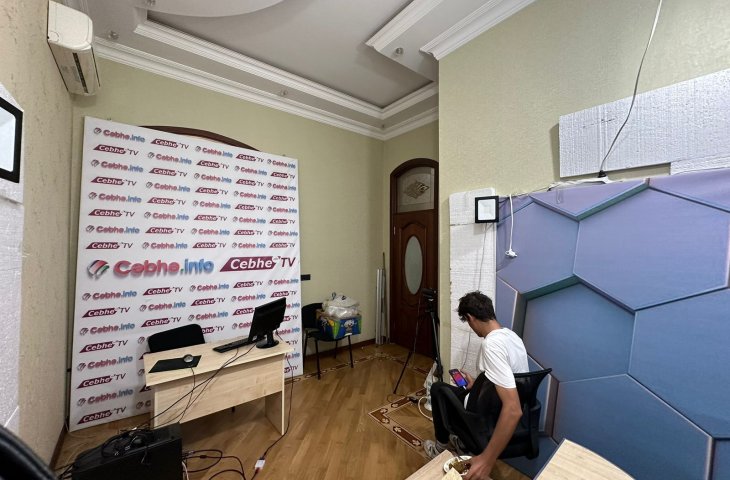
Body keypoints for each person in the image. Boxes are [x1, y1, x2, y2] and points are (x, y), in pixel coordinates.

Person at [423, 291, 528, 480]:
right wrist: (477, 384)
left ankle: (440, 448)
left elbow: (513, 409)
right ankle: (462, 443)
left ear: (470, 318)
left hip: (481, 415)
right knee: (456, 389)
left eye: (468, 322)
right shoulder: (513, 338)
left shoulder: (492, 345)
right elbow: (505, 382)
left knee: (438, 389)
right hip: (491, 407)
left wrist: (487, 460)